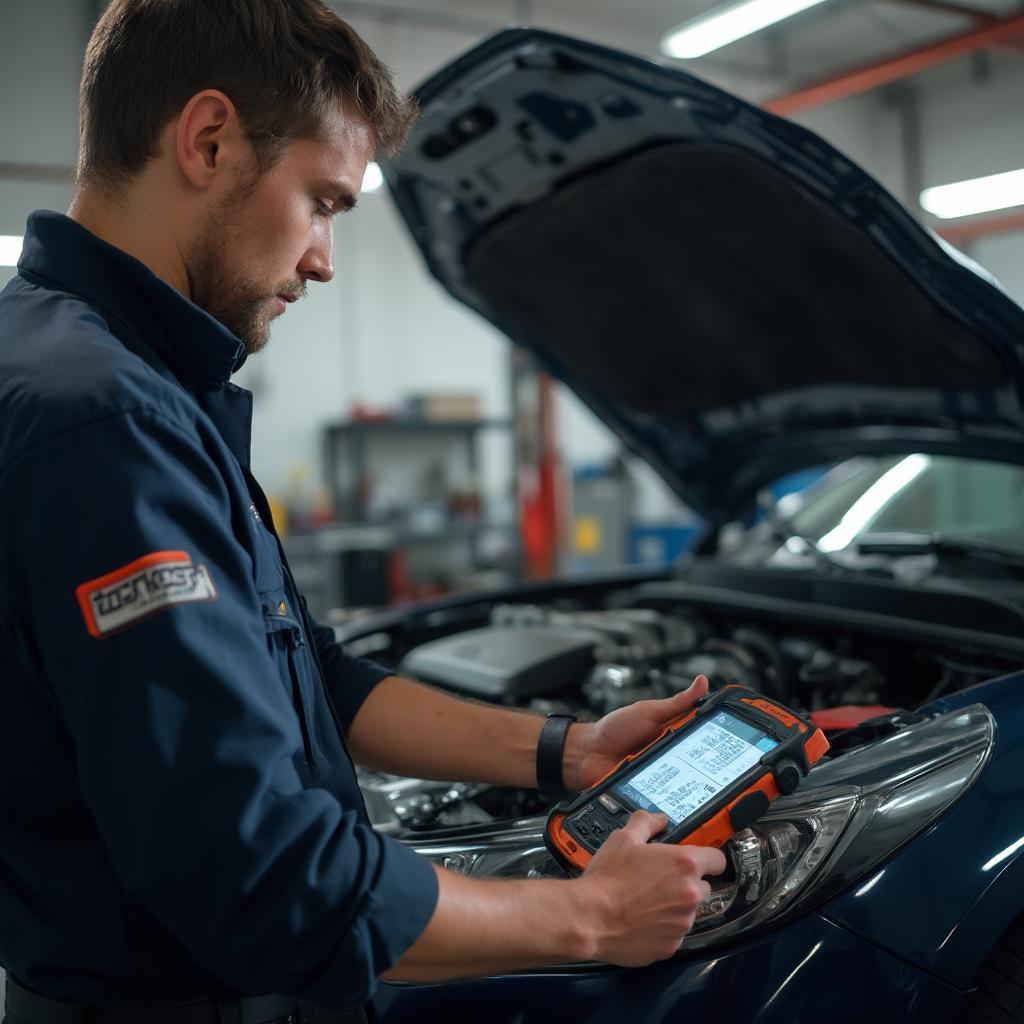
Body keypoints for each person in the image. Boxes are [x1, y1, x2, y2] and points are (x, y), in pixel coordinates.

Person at [0, 2, 726, 1022]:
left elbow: (313, 682)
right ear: (208, 140)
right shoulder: (110, 422)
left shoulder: (86, 369)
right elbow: (263, 880)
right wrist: (590, 917)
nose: (325, 259)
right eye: (323, 201)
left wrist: (566, 751)